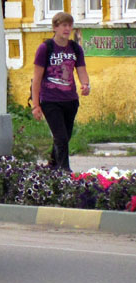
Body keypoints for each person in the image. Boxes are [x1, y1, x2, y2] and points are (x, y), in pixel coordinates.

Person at [30, 11, 90, 172]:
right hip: (50, 100)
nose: (67, 29)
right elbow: (37, 79)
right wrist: (36, 105)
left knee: (64, 137)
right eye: (64, 25)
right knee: (61, 137)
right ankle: (65, 171)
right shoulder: (45, 48)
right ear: (55, 27)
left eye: (70, 25)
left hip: (70, 100)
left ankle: (52, 165)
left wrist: (86, 84)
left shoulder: (75, 48)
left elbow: (81, 70)